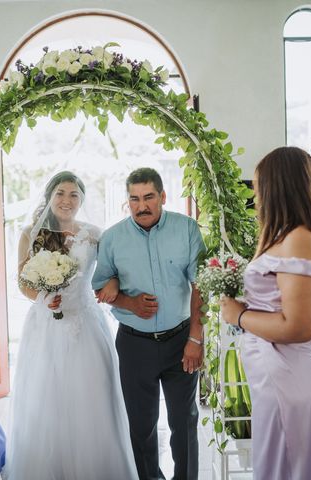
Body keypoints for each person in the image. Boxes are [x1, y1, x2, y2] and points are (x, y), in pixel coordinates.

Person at [219, 147, 311, 480]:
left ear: (278, 187)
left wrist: (238, 316)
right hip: (291, 377)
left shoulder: (300, 239)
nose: (257, 196)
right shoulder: (300, 235)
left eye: (260, 187)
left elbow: (299, 326)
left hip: (296, 380)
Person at [3, 171, 138, 480]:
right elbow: (23, 283)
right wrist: (43, 298)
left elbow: (111, 272)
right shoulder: (30, 234)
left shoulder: (94, 234)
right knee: (46, 399)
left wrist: (113, 285)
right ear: (50, 197)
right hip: (45, 326)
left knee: (90, 397)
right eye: (61, 193)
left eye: (74, 195)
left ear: (82, 201)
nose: (67, 200)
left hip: (86, 324)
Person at [92, 167, 206, 480]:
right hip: (134, 343)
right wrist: (128, 302)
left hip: (180, 340)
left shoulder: (186, 229)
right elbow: (100, 287)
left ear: (162, 196)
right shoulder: (112, 238)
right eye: (134, 199)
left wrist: (196, 338)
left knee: (184, 422)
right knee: (141, 425)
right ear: (127, 201)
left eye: (149, 197)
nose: (141, 206)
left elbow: (201, 285)